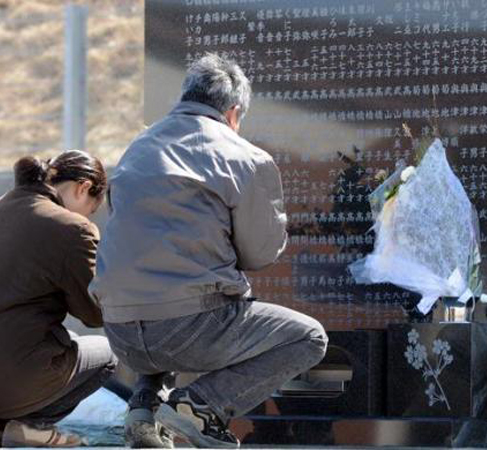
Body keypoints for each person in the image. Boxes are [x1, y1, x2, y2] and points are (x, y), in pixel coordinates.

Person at [89, 53, 328, 448]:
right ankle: (199, 408)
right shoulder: (246, 157)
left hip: (120, 331)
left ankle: (144, 409)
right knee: (309, 337)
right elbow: (259, 254)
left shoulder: (138, 148)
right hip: (189, 328)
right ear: (234, 113)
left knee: (160, 290)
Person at [0, 151, 118, 447]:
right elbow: (95, 313)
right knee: (108, 352)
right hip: (14, 375)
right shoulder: (72, 228)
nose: (87, 217)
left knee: (61, 340)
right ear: (83, 187)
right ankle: (31, 426)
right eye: (91, 209)